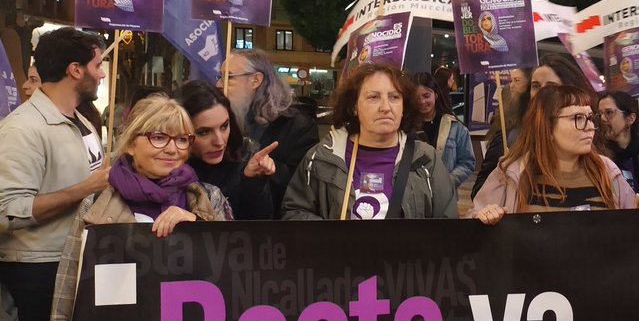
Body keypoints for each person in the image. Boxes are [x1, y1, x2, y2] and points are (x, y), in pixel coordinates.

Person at [40, 97, 232, 321]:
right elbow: (68, 295)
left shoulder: (208, 199)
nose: (171, 148)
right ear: (131, 142)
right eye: (159, 137)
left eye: (181, 139)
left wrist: (199, 229)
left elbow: (239, 271)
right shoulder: (96, 205)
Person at [0, 28, 108, 321]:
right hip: (38, 266)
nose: (102, 74)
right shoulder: (21, 129)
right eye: (99, 65)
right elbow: (8, 211)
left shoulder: (82, 119)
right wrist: (86, 189)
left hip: (76, 262)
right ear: (75, 69)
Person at [282, 64, 457, 220]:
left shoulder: (425, 160)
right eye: (373, 97)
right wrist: (333, 241)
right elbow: (295, 211)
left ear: (404, 106)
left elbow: (447, 225)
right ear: (354, 107)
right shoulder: (322, 158)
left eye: (394, 97)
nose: (386, 107)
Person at [472, 84, 639, 220]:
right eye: (577, 118)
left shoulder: (606, 170)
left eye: (589, 117)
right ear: (547, 127)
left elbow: (631, 227)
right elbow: (474, 223)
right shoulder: (511, 172)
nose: (590, 127)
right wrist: (486, 216)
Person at [472, 53, 595, 198]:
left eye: (551, 87)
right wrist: (504, 185)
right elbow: (480, 192)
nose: (542, 93)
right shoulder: (511, 135)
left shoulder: (590, 137)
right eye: (536, 86)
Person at [217, 48, 319, 217]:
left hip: (274, 229)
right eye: (219, 76)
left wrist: (259, 167)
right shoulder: (222, 119)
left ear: (256, 80)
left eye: (229, 77)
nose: (219, 85)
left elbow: (302, 185)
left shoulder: (296, 125)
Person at [178, 81, 277, 221]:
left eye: (224, 126)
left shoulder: (244, 157)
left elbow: (260, 230)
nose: (219, 141)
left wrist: (252, 183)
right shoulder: (166, 165)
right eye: (204, 132)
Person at [414, 71, 476, 188]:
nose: (422, 101)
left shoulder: (455, 126)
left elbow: (467, 162)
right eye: (417, 97)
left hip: (445, 197)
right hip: (413, 196)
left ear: (436, 95)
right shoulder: (407, 127)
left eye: (426, 96)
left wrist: (448, 182)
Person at [598, 90, 639, 194]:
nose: (602, 118)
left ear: (630, 119)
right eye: (600, 114)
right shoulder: (598, 156)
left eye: (609, 112)